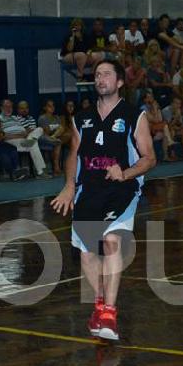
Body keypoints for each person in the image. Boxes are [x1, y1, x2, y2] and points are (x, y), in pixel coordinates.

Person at [50, 60, 156, 341]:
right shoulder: (81, 118)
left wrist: (126, 173)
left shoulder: (135, 116)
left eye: (107, 74)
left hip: (122, 189)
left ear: (120, 82)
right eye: (97, 74)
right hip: (89, 190)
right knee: (86, 253)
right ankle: (99, 304)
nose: (100, 78)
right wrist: (69, 187)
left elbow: (149, 158)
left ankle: (109, 310)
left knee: (111, 242)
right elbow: (73, 155)